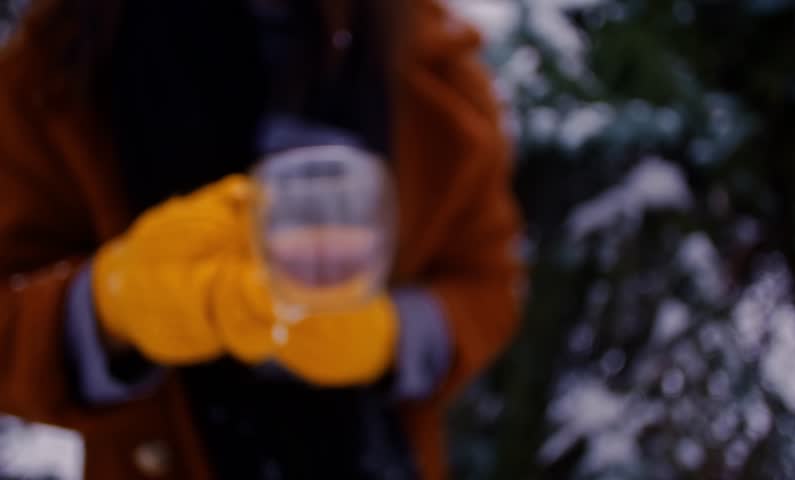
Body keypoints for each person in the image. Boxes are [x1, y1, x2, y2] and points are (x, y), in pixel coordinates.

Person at [0, 0, 522, 478]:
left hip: (374, 453)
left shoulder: (430, 62)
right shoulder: (54, 67)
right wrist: (107, 312)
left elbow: (488, 283)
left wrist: (393, 337)